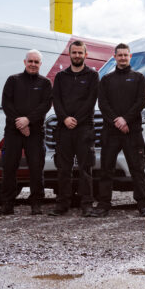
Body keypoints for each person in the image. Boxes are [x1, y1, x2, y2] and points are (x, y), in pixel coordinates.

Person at [94, 43, 145, 217]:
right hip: (111, 132)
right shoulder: (106, 79)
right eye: (119, 55)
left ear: (130, 56)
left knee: (137, 169)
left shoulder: (139, 78)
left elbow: (140, 102)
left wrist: (125, 119)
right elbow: (103, 104)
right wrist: (117, 121)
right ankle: (104, 204)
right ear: (114, 57)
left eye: (125, 55)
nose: (122, 58)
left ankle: (143, 204)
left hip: (132, 131)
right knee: (106, 170)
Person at [0, 49, 52, 216]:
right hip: (13, 131)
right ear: (24, 62)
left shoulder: (45, 83)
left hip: (35, 132)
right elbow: (6, 104)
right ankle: (7, 205)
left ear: (40, 64)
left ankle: (36, 204)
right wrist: (21, 124)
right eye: (30, 61)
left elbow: (45, 106)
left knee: (36, 167)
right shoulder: (13, 80)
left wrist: (28, 120)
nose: (33, 64)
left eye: (36, 62)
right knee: (9, 167)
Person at [50, 40, 99, 216]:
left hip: (84, 128)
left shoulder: (93, 76)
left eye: (80, 53)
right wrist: (65, 118)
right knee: (64, 168)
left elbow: (90, 101)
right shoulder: (61, 76)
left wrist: (76, 119)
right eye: (74, 52)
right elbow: (56, 100)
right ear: (69, 54)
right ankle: (62, 204)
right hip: (64, 129)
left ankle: (86, 205)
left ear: (85, 55)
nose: (77, 55)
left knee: (86, 168)